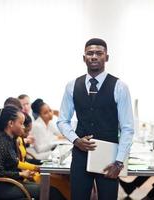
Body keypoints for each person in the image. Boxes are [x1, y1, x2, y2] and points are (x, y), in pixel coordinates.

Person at [57, 38, 134, 200]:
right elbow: (62, 120)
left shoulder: (120, 87)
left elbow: (127, 128)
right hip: (80, 155)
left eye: (99, 53)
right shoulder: (72, 86)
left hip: (109, 157)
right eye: (90, 53)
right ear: (84, 57)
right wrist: (76, 140)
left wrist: (119, 162)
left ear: (106, 57)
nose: (94, 56)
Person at [0, 105, 65, 200]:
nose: (23, 127)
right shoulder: (1, 142)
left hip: (13, 183)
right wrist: (21, 174)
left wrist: (25, 172)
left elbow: (13, 164)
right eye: (21, 123)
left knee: (51, 189)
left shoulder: (9, 140)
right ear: (11, 123)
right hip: (5, 188)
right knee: (50, 191)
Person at [17, 113, 71, 199]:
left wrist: (44, 163)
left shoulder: (19, 139)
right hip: (29, 176)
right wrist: (37, 168)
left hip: (31, 172)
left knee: (63, 181)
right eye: (26, 131)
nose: (28, 134)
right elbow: (19, 164)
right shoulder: (16, 141)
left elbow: (25, 160)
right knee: (59, 184)